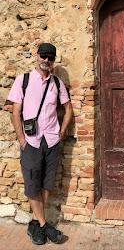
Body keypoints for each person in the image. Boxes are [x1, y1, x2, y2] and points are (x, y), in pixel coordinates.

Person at [7, 42, 73, 245]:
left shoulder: (57, 84)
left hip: (52, 140)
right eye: (43, 56)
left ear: (53, 60)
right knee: (32, 184)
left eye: (50, 57)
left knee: (46, 184)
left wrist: (62, 132)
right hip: (32, 142)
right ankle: (46, 226)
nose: (46, 60)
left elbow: (68, 109)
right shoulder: (23, 80)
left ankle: (35, 224)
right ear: (37, 56)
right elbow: (15, 111)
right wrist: (21, 139)